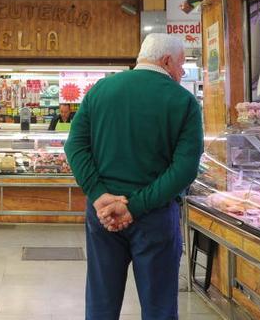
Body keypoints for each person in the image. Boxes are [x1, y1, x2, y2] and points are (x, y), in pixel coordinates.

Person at [64, 33, 203, 320]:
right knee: (159, 306)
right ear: (166, 61)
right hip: (155, 217)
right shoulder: (183, 101)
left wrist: (99, 194)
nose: (181, 72)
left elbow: (74, 145)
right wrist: (134, 206)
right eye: (180, 65)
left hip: (102, 214)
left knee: (101, 301)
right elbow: (185, 169)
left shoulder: (100, 90)